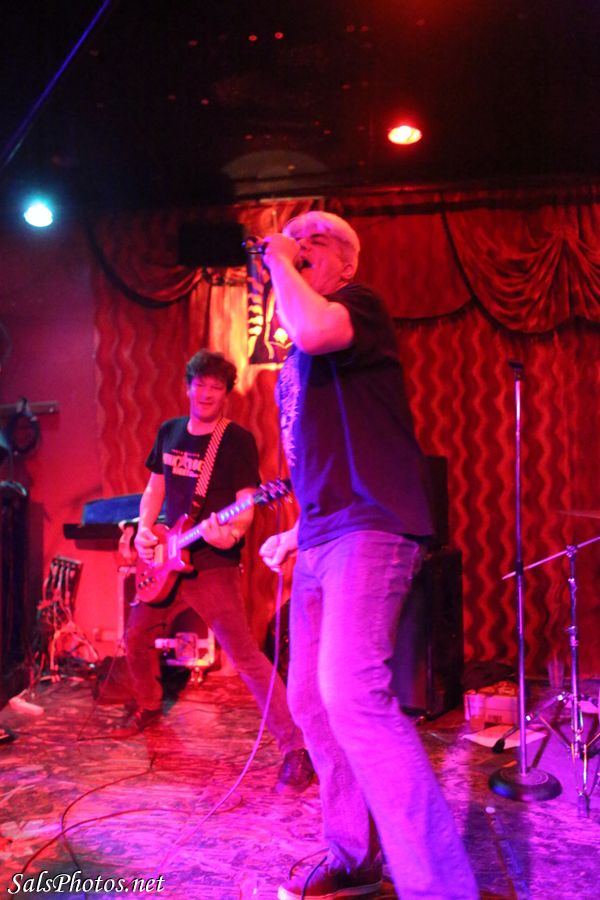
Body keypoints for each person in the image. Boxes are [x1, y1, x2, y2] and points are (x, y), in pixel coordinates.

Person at [259, 213, 479, 899]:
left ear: (348, 263)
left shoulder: (357, 306)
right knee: (310, 701)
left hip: (371, 528)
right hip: (322, 535)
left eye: (315, 239)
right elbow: (319, 461)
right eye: (293, 236)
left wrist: (277, 257)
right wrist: (295, 532)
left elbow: (311, 328)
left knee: (353, 695)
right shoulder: (296, 362)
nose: (300, 244)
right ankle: (354, 857)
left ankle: (441, 888)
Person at [114, 349, 314, 795]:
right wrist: (145, 529)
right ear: (188, 386)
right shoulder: (169, 432)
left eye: (216, 387)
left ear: (226, 394)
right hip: (165, 558)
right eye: (200, 384)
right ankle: (148, 705)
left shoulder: (236, 440)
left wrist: (232, 533)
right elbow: (154, 490)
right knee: (135, 636)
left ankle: (295, 749)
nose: (206, 394)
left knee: (246, 658)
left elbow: (246, 504)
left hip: (213, 565)